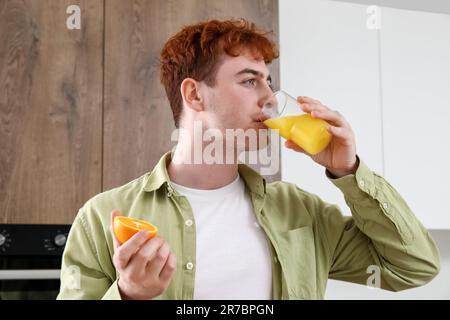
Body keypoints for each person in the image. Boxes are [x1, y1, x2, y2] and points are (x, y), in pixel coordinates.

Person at [57, 19, 440, 300]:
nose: (270, 98)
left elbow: (414, 267)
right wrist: (128, 295)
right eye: (249, 80)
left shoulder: (301, 213)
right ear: (194, 95)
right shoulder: (104, 217)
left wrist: (349, 172)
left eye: (269, 81)